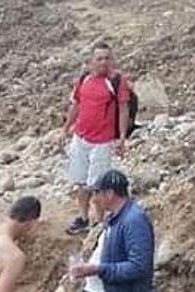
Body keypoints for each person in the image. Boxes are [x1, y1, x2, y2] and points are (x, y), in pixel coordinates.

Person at [63, 42, 132, 235]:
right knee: (80, 181)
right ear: (91, 62)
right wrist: (67, 127)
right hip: (81, 137)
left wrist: (122, 136)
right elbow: (76, 104)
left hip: (102, 141)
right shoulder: (83, 80)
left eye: (107, 58)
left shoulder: (117, 81)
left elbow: (123, 109)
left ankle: (99, 223)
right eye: (99, 58)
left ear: (112, 60)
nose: (103, 62)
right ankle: (84, 218)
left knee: (98, 185)